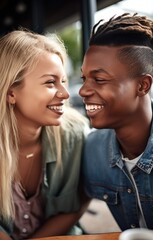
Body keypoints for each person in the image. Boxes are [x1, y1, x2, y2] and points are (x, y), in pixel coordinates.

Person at [0, 29, 89, 240]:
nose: (65, 94)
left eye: (63, 81)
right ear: (11, 92)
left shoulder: (75, 134)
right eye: (50, 82)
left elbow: (77, 204)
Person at [79, 12, 153, 231]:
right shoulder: (93, 149)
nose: (83, 90)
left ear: (142, 85)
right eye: (84, 78)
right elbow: (72, 210)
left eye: (99, 79)